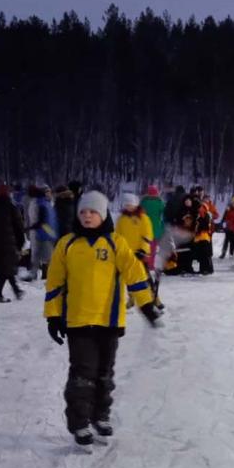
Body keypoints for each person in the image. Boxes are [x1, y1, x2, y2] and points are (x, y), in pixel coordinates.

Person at [44, 191, 160, 446]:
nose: (87, 216)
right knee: (82, 374)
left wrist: (147, 305)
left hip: (109, 321)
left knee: (104, 373)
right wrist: (53, 316)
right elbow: (54, 283)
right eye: (83, 212)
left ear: (103, 214)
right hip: (78, 321)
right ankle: (80, 423)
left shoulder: (115, 243)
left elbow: (135, 275)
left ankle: (100, 416)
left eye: (93, 212)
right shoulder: (67, 244)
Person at [24, 186, 59, 282]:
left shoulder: (41, 204)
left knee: (45, 256)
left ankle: (47, 275)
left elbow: (41, 221)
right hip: (48, 233)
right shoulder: (47, 204)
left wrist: (29, 228)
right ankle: (35, 274)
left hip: (44, 234)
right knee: (37, 255)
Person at [140, 185, 165, 265]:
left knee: (145, 247)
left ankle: (144, 263)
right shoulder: (160, 202)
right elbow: (163, 214)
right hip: (156, 228)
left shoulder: (143, 202)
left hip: (144, 228)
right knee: (153, 248)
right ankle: (151, 264)